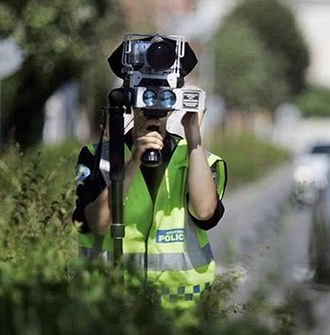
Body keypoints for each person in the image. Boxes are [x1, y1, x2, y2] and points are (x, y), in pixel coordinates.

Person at [72, 36, 227, 311]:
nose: (154, 110)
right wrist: (132, 163)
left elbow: (205, 213)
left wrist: (194, 136)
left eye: (164, 100)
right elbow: (95, 224)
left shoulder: (197, 158)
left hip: (181, 312)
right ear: (129, 99)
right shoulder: (99, 156)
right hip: (113, 308)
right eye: (146, 99)